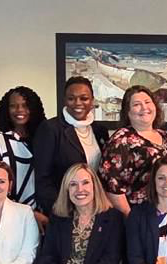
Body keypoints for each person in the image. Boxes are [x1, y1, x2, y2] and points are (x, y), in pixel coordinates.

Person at [100, 85, 167, 216]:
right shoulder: (121, 140)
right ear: (127, 112)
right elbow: (111, 186)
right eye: (137, 104)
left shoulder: (163, 135)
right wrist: (130, 218)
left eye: (147, 102)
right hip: (142, 216)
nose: (144, 108)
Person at [32, 76, 110, 214]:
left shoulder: (100, 131)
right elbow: (42, 178)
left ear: (92, 101)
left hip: (94, 208)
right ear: (64, 100)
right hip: (63, 210)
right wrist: (59, 210)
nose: (77, 103)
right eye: (71, 98)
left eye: (84, 98)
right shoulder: (50, 129)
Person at [0, 86, 47, 221]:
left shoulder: (43, 138)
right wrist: (30, 214)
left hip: (44, 216)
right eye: (13, 106)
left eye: (25, 105)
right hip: (9, 217)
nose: (19, 110)